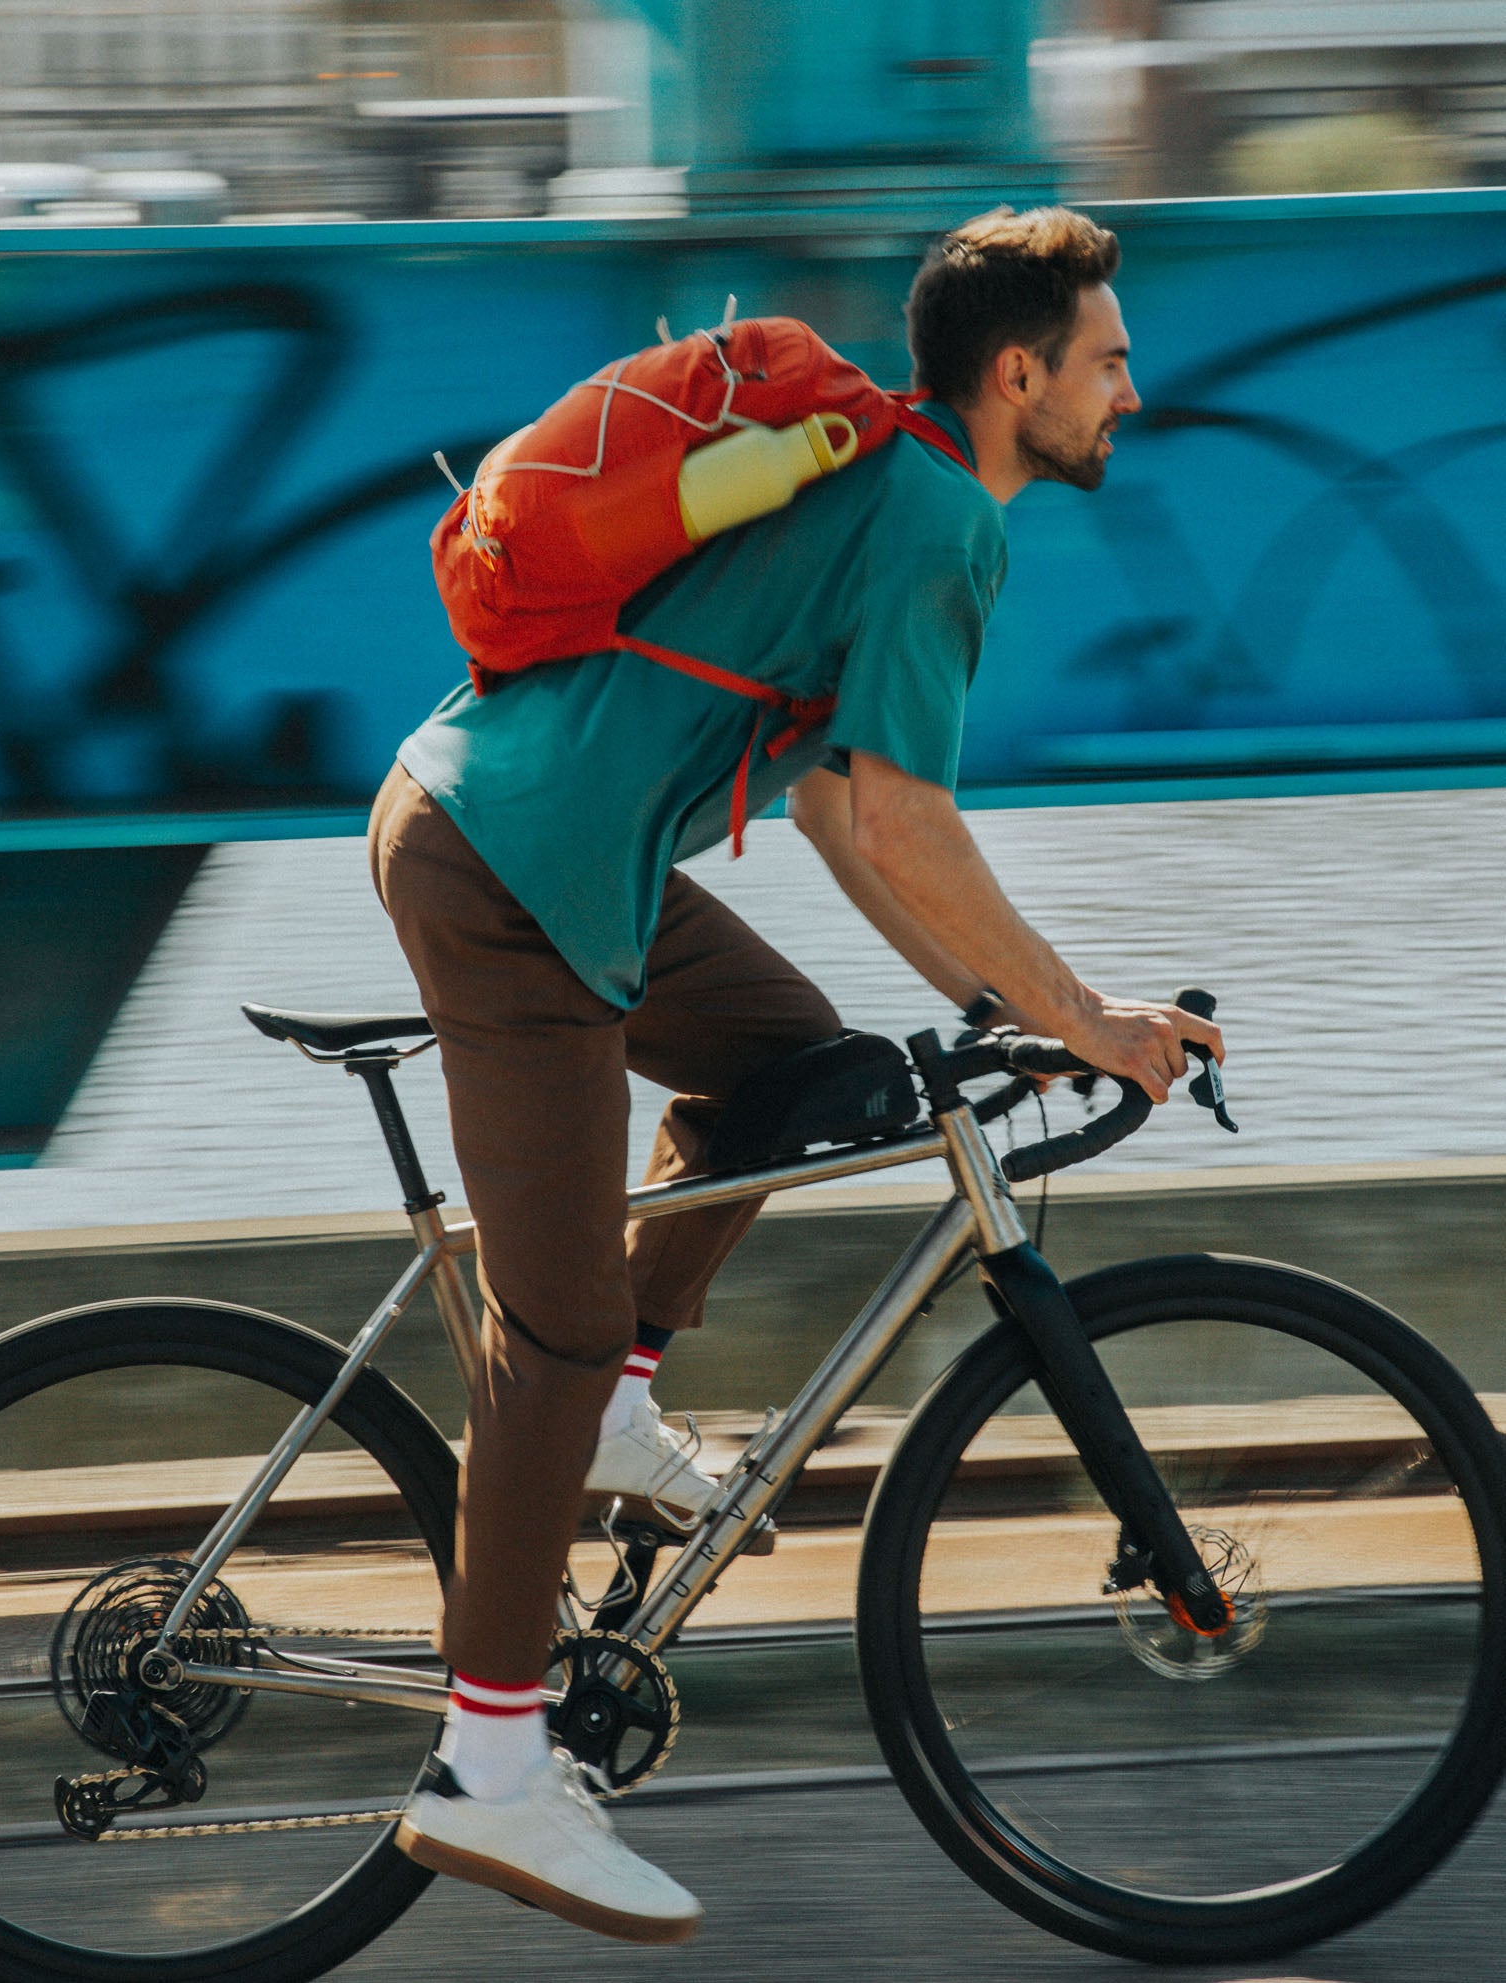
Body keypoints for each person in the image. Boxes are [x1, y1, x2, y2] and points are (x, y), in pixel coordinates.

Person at [372, 204, 1224, 1943]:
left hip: (536, 846)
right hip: (512, 876)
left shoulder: (895, 488)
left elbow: (844, 810)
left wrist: (995, 997)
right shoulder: (933, 524)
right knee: (536, 1331)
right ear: (1016, 373)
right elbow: (908, 813)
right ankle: (490, 1767)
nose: (1128, 393)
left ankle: (617, 1388)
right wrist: (1081, 1021)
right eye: (1108, 361)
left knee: (804, 1068)